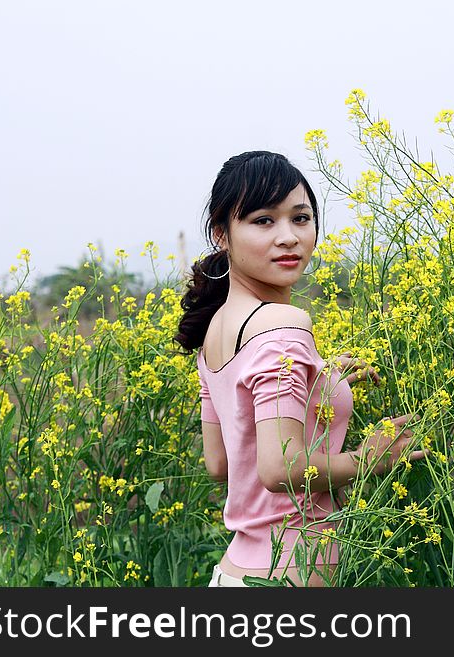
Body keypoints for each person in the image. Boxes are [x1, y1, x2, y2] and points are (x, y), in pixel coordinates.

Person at [174, 151, 427, 587]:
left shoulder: (218, 329)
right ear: (222, 234)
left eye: (301, 218)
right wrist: (371, 458)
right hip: (289, 576)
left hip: (236, 575)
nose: (289, 237)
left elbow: (221, 463)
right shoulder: (282, 326)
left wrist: (317, 382)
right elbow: (278, 469)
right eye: (263, 221)